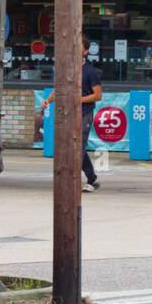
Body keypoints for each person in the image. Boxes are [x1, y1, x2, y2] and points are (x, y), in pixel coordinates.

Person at [43, 35, 103, 192]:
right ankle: (92, 178)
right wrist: (48, 101)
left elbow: (98, 95)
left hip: (85, 113)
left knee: (78, 146)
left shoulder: (91, 72)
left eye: (79, 47)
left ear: (86, 51)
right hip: (70, 114)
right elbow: (59, 88)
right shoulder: (68, 68)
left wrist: (79, 99)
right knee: (73, 146)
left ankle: (72, 181)